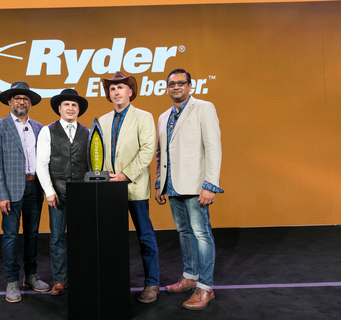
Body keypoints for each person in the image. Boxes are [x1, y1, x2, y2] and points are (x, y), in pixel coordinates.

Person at [155, 68, 224, 310]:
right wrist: (159, 183)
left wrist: (210, 185)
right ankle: (190, 276)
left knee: (201, 234)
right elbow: (160, 153)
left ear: (190, 86)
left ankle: (205, 288)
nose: (176, 87)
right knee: (184, 233)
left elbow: (213, 148)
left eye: (181, 83)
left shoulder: (204, 108)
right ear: (167, 88)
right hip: (173, 187)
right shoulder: (163, 117)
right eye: (171, 84)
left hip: (196, 186)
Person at [98, 71, 160, 303]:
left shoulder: (144, 117)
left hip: (134, 187)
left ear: (130, 91)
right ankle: (112, 284)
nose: (116, 92)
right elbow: (99, 154)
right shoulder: (102, 120)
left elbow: (147, 151)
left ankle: (152, 284)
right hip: (109, 189)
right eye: (112, 89)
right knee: (111, 240)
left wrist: (125, 175)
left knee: (145, 236)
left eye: (120, 88)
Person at [0, 81, 50, 303]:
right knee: (11, 236)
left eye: (25, 99)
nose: (21, 102)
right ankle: (12, 281)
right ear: (9, 101)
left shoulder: (39, 128)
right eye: (17, 98)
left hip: (35, 187)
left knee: (33, 235)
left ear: (30, 103)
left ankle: (31, 276)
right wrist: (1, 194)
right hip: (11, 191)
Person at [36, 89, 90, 296]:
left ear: (78, 110)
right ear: (59, 108)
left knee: (82, 237)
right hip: (57, 194)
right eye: (66, 105)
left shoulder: (87, 132)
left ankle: (82, 275)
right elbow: (41, 164)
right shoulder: (47, 131)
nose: (70, 108)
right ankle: (60, 279)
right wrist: (49, 192)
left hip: (82, 193)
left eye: (74, 105)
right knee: (57, 238)